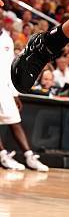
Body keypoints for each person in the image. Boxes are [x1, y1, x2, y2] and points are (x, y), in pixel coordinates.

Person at [0, 12, 48, 172]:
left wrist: (15, 93)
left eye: (1, 18)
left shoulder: (7, 39)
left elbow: (9, 68)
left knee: (15, 121)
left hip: (5, 89)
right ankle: (3, 155)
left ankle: (29, 156)